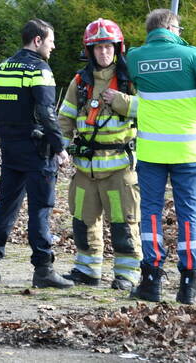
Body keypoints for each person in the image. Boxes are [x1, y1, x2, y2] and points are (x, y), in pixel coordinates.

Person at [126, 8, 196, 304]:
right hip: (188, 149)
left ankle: (152, 281)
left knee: (152, 214)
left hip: (152, 151)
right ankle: (188, 282)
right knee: (188, 215)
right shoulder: (193, 56)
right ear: (172, 27)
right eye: (179, 30)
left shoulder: (136, 57)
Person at [0, 19, 73, 289]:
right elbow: (47, 113)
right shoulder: (40, 69)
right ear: (37, 40)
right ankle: (43, 269)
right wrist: (60, 147)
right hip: (37, 151)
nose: (53, 46)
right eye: (50, 40)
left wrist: (5, 139)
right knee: (40, 209)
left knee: (6, 206)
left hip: (11, 149)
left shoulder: (1, 68)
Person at [57, 18, 141, 291]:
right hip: (85, 169)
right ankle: (87, 271)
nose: (104, 52)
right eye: (98, 48)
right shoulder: (80, 81)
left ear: (117, 48)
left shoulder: (130, 80)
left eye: (108, 47)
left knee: (123, 223)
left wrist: (121, 101)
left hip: (119, 170)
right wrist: (61, 147)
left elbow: (151, 110)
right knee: (83, 221)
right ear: (89, 50)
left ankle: (127, 274)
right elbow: (65, 118)